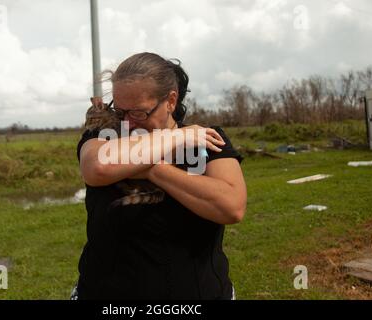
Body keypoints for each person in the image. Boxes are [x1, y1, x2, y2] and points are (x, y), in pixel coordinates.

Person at [71, 52, 247, 300]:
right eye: (121, 112)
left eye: (139, 113)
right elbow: (97, 167)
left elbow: (231, 207)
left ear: (171, 101)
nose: (128, 123)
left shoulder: (205, 139)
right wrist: (175, 138)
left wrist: (150, 167)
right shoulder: (104, 134)